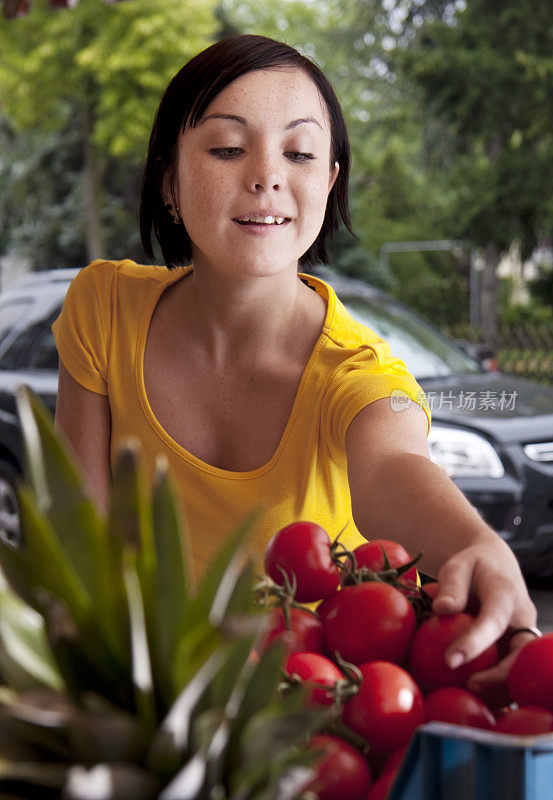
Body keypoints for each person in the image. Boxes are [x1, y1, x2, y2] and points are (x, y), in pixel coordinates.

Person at [52, 33, 538, 692]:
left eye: (300, 152)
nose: (265, 175)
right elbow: (80, 538)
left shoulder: (360, 371)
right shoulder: (102, 308)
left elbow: (392, 466)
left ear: (329, 180)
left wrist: (477, 545)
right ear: (167, 178)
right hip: (134, 709)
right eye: (227, 148)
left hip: (307, 731)